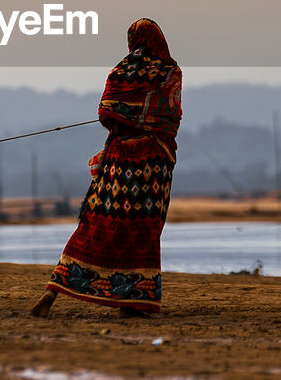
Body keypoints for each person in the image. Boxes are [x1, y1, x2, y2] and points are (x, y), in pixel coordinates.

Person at [30, 18, 182, 319]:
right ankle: (133, 300)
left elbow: (106, 112)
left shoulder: (120, 70)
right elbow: (171, 117)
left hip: (118, 162)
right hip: (152, 164)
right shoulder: (169, 72)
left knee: (96, 223)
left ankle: (53, 290)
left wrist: (124, 119)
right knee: (144, 228)